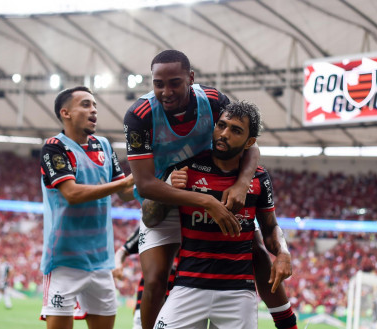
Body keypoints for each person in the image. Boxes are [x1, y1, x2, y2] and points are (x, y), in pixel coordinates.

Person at [124, 49, 296, 329]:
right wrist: (206, 203)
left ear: (190, 78)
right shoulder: (139, 115)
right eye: (158, 84)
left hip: (213, 185)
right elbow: (145, 185)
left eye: (175, 83)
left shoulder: (214, 101)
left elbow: (251, 146)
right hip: (164, 193)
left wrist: (241, 183)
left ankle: (287, 322)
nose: (166, 91)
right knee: (155, 279)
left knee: (255, 249)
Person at [153, 100, 292, 328]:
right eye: (221, 125)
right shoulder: (186, 168)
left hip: (237, 293)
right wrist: (168, 187)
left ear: (250, 142)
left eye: (235, 130)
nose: (224, 134)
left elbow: (270, 228)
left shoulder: (259, 179)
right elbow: (150, 217)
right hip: (188, 286)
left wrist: (283, 252)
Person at [40, 86, 135, 329]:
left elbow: (125, 193)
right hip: (64, 262)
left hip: (102, 263)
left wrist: (150, 174)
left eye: (94, 105)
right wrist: (124, 183)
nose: (93, 110)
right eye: (85, 104)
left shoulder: (103, 145)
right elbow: (71, 193)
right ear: (66, 113)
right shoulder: (54, 147)